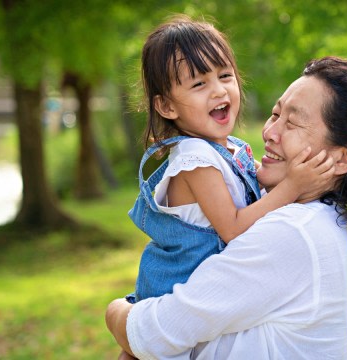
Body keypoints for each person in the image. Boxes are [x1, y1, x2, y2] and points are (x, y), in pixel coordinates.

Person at [106, 56, 347, 359]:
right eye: (274, 114)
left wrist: (116, 310)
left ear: (341, 158)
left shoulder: (291, 234)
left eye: (293, 123)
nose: (269, 133)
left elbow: (152, 334)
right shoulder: (316, 218)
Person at [116, 16, 335, 359]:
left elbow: (252, 189)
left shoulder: (229, 147)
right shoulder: (195, 159)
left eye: (224, 76)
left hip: (202, 297)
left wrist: (288, 174)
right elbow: (233, 228)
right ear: (166, 106)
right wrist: (292, 185)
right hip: (175, 293)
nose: (219, 90)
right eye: (199, 84)